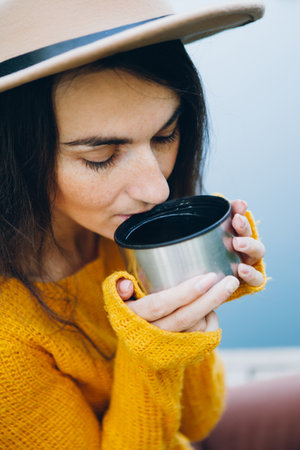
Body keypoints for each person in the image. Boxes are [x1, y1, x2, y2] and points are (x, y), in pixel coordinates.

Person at [0, 0, 266, 448]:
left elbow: (199, 421)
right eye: (100, 157)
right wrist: (151, 355)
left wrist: (197, 291)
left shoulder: (118, 232)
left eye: (165, 136)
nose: (157, 191)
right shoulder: (8, 343)